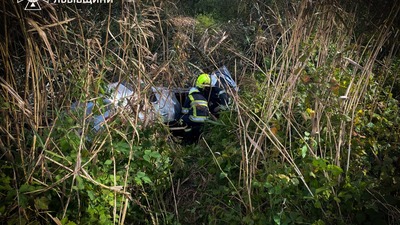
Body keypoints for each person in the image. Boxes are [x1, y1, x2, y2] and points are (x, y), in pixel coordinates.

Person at [181, 73, 211, 142]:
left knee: (182, 118)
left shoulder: (190, 97)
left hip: (194, 120)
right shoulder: (204, 98)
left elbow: (184, 111)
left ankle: (187, 140)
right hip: (205, 121)